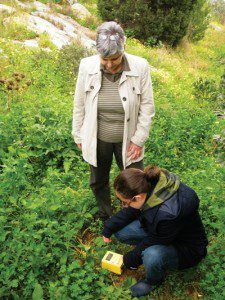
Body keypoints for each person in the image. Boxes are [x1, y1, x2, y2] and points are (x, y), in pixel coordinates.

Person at [72, 21, 155, 220]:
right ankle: (105, 213)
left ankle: (133, 215)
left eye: (115, 59)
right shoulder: (86, 66)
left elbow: (147, 106)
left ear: (123, 48)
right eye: (105, 59)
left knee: (135, 181)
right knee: (98, 179)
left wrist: (139, 139)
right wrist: (78, 134)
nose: (110, 65)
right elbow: (79, 104)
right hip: (98, 136)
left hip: (129, 139)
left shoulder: (140, 66)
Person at [102, 165, 208, 298]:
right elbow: (133, 209)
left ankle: (153, 281)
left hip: (187, 248)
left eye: (124, 202)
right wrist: (109, 227)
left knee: (151, 255)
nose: (123, 205)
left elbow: (153, 240)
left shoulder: (169, 214)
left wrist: (130, 259)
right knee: (122, 232)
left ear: (137, 197)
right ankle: (149, 259)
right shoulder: (149, 184)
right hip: (162, 230)